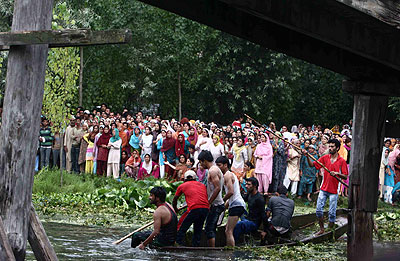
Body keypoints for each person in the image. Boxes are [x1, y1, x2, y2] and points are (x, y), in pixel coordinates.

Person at [302, 139, 348, 235]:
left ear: (337, 148)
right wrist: (306, 156)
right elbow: (312, 165)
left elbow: (345, 176)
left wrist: (337, 174)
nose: (330, 148)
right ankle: (322, 229)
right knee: (318, 210)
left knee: (332, 213)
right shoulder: (325, 158)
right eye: (329, 146)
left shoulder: (341, 161)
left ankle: (330, 229)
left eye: (332, 147)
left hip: (334, 191)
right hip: (323, 189)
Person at [172, 170, 209, 247]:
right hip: (205, 208)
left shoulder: (182, 186)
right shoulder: (202, 185)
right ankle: (196, 246)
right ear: (195, 178)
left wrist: (175, 209)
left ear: (185, 179)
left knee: (183, 228)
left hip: (195, 208)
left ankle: (178, 244)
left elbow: (175, 199)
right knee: (198, 229)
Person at [216, 156, 246, 247]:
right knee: (228, 230)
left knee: (228, 231)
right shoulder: (229, 175)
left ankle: (230, 252)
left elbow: (231, 192)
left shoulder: (228, 175)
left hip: (236, 205)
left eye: (219, 165)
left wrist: (221, 201)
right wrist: (224, 206)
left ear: (225, 165)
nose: (218, 168)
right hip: (237, 204)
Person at [198, 150, 225, 247]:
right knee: (210, 228)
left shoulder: (213, 171)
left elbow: (217, 188)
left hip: (216, 205)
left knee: (209, 229)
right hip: (215, 204)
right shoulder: (213, 170)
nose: (201, 165)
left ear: (205, 161)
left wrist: (209, 202)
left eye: (201, 162)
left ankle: (212, 251)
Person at [233, 177, 265, 243]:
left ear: (255, 186)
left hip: (254, 223)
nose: (246, 186)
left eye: (249, 185)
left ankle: (234, 242)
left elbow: (263, 215)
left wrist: (265, 230)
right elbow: (241, 198)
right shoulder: (249, 194)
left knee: (238, 224)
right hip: (248, 217)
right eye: (246, 184)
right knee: (238, 208)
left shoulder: (259, 199)